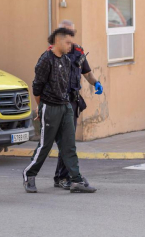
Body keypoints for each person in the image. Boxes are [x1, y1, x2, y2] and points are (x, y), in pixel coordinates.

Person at [23, 27, 97, 193]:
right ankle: (29, 174)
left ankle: (76, 181)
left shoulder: (66, 60)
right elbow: (37, 88)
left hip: (66, 107)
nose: (71, 45)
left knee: (69, 145)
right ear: (58, 41)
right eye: (68, 42)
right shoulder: (45, 60)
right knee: (45, 146)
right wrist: (41, 108)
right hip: (50, 108)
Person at [53, 20, 103, 190]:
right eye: (67, 33)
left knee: (68, 140)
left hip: (73, 102)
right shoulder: (53, 53)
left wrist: (95, 83)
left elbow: (87, 73)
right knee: (60, 141)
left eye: (72, 33)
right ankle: (61, 176)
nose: (70, 37)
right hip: (57, 102)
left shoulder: (78, 51)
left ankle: (63, 176)